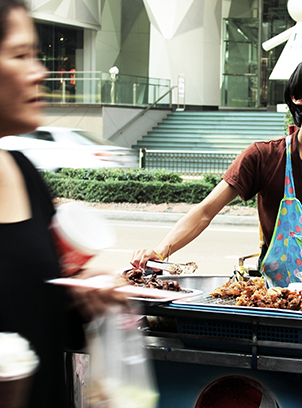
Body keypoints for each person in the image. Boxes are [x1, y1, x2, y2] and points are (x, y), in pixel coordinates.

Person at [131, 54, 302, 285]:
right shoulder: (263, 157)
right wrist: (160, 250)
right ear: (297, 96)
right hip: (277, 298)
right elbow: (205, 211)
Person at [0, 1, 126, 407]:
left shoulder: (23, 173)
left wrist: (89, 290)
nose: (40, 70)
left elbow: (52, 283)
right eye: (20, 55)